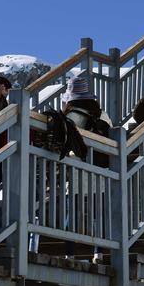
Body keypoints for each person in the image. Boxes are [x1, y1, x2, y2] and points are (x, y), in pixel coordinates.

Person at [61, 73, 113, 264]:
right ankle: (98, 252)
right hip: (99, 170)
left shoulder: (70, 116)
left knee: (72, 214)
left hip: (76, 168)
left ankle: (70, 253)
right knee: (98, 213)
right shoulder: (101, 113)